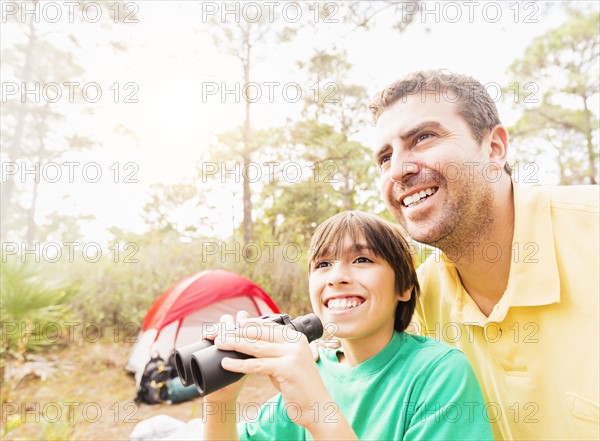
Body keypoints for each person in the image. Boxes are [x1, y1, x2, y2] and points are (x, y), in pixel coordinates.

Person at [368, 69, 599, 440]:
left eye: (423, 137)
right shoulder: (419, 297)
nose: (398, 170)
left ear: (494, 148)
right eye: (384, 158)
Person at [203, 211, 493, 440]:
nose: (336, 278)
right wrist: (220, 401)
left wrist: (318, 413)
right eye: (322, 264)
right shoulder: (312, 368)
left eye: (362, 259)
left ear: (404, 286)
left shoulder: (439, 373)